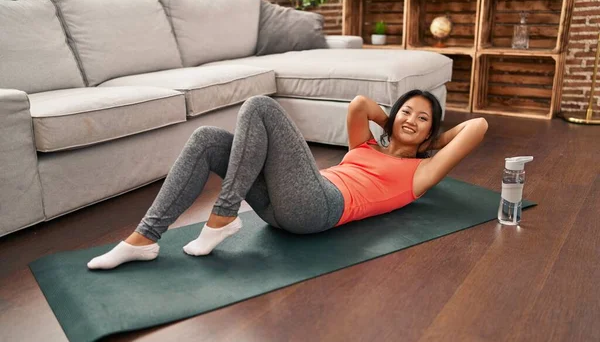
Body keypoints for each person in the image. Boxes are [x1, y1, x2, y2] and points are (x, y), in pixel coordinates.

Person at [87, 91, 488, 270]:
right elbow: (360, 105)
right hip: (284, 206)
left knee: (260, 106)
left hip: (319, 208)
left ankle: (224, 215)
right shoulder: (366, 144)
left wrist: (428, 143)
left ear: (432, 132)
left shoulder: (422, 172)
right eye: (407, 112)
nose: (411, 120)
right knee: (208, 140)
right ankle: (143, 239)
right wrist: (395, 123)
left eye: (423, 118)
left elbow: (478, 126)